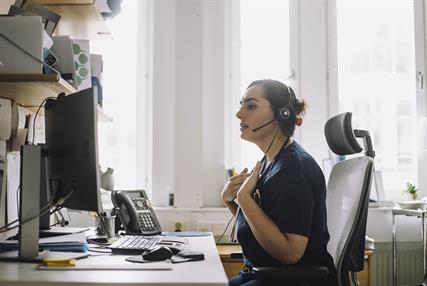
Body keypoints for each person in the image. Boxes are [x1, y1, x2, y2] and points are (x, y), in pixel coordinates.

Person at [221, 79, 338, 286]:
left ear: (281, 114)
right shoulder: (270, 162)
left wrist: (244, 199)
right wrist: (230, 200)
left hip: (292, 281)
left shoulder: (294, 169)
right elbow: (262, 228)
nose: (239, 114)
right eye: (241, 105)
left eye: (251, 106)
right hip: (262, 275)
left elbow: (290, 253)